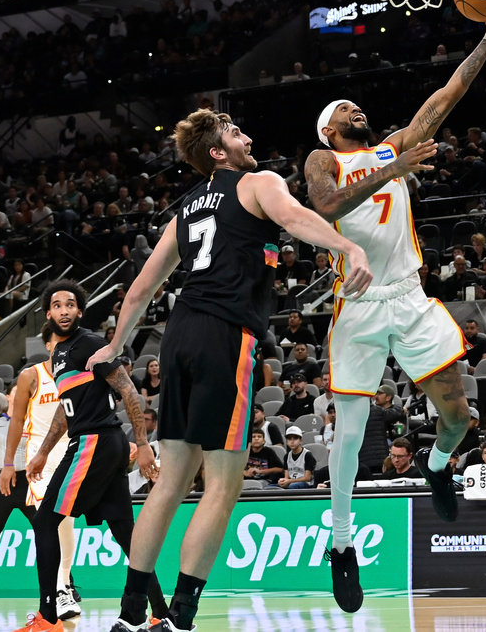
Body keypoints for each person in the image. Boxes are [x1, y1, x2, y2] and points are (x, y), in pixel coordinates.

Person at [90, 109, 374, 632]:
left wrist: (113, 347)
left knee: (171, 481)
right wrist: (348, 245)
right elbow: (294, 218)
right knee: (222, 485)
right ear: (217, 154)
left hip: (177, 336)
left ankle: (131, 615)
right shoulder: (258, 182)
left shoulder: (186, 208)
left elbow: (140, 290)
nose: (244, 133)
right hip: (225, 336)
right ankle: (181, 617)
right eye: (232, 131)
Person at [305, 0, 486, 614]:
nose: (354, 109)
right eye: (343, 110)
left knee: (459, 415)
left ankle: (440, 463)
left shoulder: (396, 145)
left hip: (410, 296)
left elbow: (447, 95)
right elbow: (325, 208)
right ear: (329, 129)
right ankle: (342, 545)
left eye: (355, 105)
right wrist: (393, 166)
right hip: (360, 304)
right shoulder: (324, 160)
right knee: (349, 433)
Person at [11, 281, 168, 632]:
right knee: (127, 534)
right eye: (57, 305)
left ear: (80, 311)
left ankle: (48, 618)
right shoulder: (59, 356)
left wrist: (142, 445)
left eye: (70, 305)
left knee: (45, 520)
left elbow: (128, 390)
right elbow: (66, 412)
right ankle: (162, 614)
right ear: (48, 313)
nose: (64, 311)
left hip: (96, 441)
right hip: (96, 441)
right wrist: (41, 454)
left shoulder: (92, 344)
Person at [0, 342, 81, 617]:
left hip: (72, 453)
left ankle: (65, 583)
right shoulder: (33, 376)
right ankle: (59, 591)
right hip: (40, 459)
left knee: (67, 522)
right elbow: (17, 420)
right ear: (47, 344)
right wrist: (9, 463)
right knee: (51, 520)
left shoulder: (76, 373)